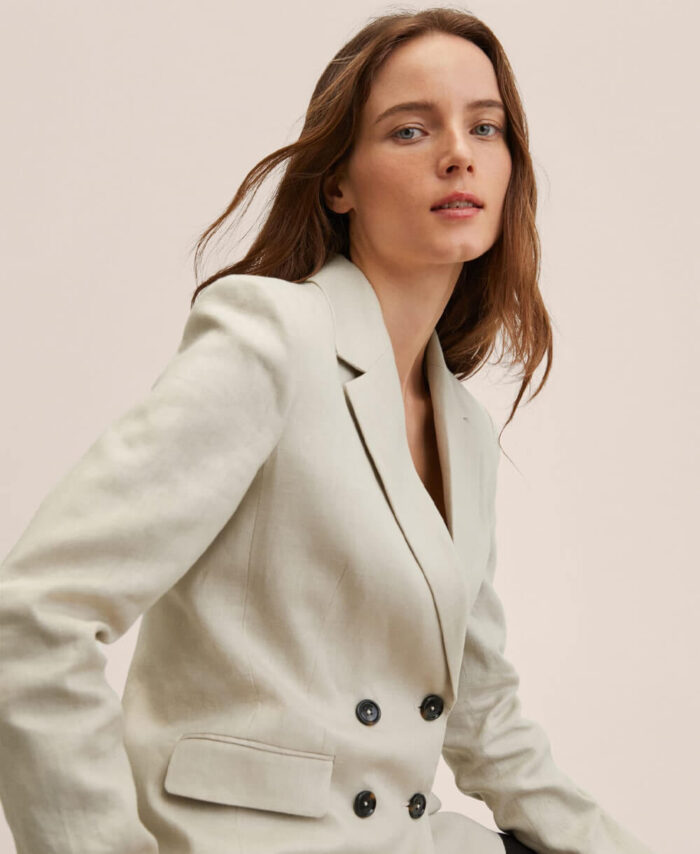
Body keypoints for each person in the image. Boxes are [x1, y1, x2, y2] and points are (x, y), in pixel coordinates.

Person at [0, 8, 655, 854]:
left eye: (485, 127)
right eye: (411, 129)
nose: (458, 153)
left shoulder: (462, 428)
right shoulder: (270, 339)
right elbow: (34, 618)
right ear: (338, 182)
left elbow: (486, 720)